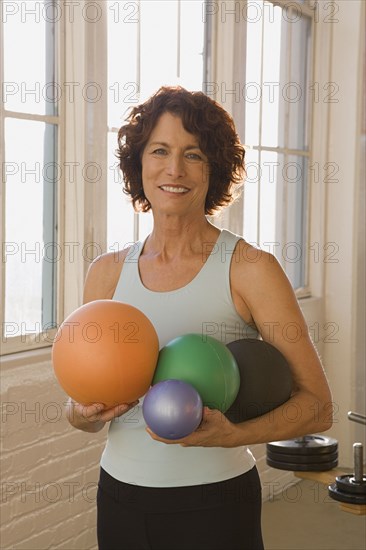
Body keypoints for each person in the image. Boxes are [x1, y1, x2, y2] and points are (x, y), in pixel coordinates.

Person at [66, 86, 333, 550]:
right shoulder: (105, 274)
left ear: (215, 168)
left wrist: (234, 435)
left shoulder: (251, 269)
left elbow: (318, 405)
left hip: (215, 502)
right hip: (120, 495)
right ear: (139, 164)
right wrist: (84, 412)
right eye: (160, 151)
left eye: (193, 154)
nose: (174, 169)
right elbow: (82, 417)